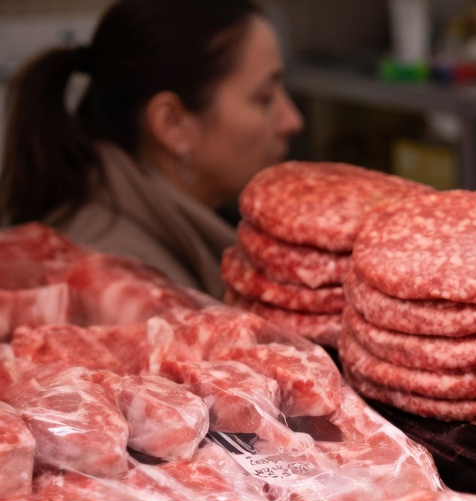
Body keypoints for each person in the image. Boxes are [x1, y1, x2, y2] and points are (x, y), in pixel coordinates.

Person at [0, 0, 304, 296]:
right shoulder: (115, 286)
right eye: (264, 98)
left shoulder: (186, 232)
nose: (292, 121)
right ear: (172, 124)